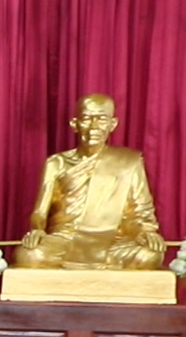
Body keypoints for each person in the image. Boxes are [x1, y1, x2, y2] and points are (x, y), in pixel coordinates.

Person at [13, 93, 165, 270]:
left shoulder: (129, 162)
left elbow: (141, 211)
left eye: (101, 119)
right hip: (65, 239)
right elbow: (40, 211)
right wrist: (37, 230)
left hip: (113, 240)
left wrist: (146, 232)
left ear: (112, 124)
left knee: (150, 256)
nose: (93, 127)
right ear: (74, 124)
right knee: (29, 255)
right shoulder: (57, 163)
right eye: (86, 119)